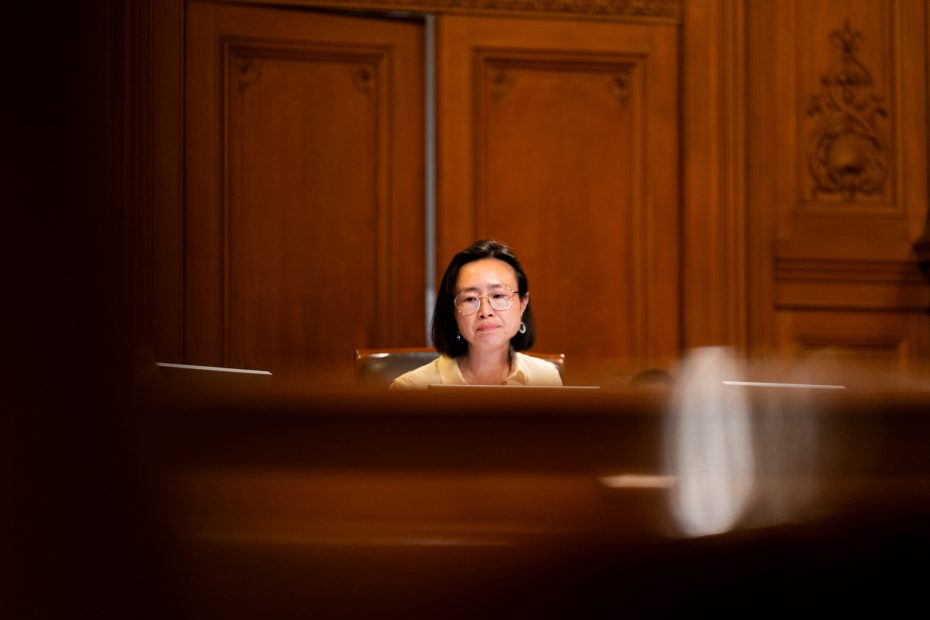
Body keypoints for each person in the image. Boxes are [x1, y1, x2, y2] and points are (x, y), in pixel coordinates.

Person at [390, 239, 563, 389]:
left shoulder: (546, 378)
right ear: (453, 311)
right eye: (470, 299)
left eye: (498, 295)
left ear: (523, 304)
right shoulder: (411, 389)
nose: (485, 312)